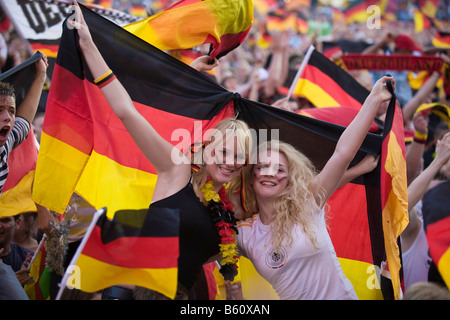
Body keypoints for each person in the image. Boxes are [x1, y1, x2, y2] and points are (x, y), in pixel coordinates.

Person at [69, 2, 253, 299]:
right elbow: (127, 111)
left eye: (238, 157)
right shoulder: (176, 170)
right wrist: (90, 46)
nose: (230, 162)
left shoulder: (232, 209)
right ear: (206, 150)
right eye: (223, 152)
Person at [236, 76, 395, 299]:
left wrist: (374, 99)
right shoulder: (243, 234)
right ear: (251, 176)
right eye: (262, 166)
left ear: (289, 180)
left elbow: (342, 153)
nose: (271, 173)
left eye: (280, 169)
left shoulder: (306, 204)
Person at [0, 53, 48, 197]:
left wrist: (40, 76)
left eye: (11, 111)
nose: (8, 117)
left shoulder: (4, 147)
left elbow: (24, 121)